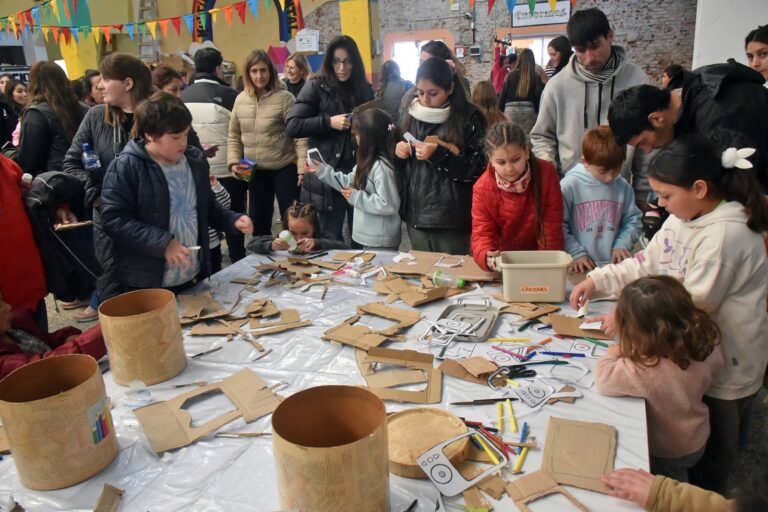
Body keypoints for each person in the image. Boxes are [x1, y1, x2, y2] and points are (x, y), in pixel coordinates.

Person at [570, 134, 768, 494]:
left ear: (699, 189)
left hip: (728, 366)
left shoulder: (726, 236)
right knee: (691, 433)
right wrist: (597, 281)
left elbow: (692, 305)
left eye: (666, 195)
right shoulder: (684, 217)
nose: (659, 203)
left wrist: (629, 320)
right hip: (691, 356)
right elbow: (646, 263)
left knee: (715, 459)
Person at [100, 91, 253, 293]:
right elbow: (113, 220)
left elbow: (207, 207)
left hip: (192, 273)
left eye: (186, 134)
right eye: (175, 137)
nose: (183, 142)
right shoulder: (126, 166)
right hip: (148, 280)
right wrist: (164, 243)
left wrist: (232, 220)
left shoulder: (194, 161)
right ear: (149, 134)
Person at [595, 275, 724, 481]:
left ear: (643, 332)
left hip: (667, 449)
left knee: (671, 485)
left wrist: (615, 351)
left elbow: (603, 379)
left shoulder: (647, 368)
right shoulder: (707, 341)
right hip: (697, 434)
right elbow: (715, 371)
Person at [62, 53, 155, 320]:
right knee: (114, 296)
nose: (100, 85)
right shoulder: (95, 117)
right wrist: (97, 195)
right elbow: (71, 163)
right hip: (108, 223)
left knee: (152, 299)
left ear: (128, 83)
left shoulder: (159, 113)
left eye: (105, 79)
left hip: (151, 222)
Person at [607, 62, 768, 190]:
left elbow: (731, 187)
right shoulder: (688, 103)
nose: (648, 150)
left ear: (656, 118)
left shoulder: (718, 112)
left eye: (643, 142)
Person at [530, 8, 648, 174]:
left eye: (595, 46)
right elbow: (542, 136)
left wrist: (643, 187)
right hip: (570, 183)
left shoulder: (637, 80)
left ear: (610, 36)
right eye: (581, 50)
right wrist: (550, 173)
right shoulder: (557, 86)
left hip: (618, 183)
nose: (590, 57)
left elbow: (647, 142)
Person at [286, 35, 375, 241]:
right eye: (337, 61)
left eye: (347, 61)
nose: (342, 67)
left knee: (360, 240)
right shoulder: (316, 85)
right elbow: (293, 125)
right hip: (326, 177)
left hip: (358, 174)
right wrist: (328, 122)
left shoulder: (363, 88)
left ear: (355, 62)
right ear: (329, 62)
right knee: (329, 239)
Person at [395, 57, 486, 255]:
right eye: (420, 92)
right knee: (422, 271)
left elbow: (478, 168)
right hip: (416, 215)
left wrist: (438, 155)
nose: (425, 99)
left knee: (453, 271)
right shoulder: (410, 113)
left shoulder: (469, 117)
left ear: (450, 88)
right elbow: (399, 165)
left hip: (451, 219)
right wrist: (399, 152)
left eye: (433, 93)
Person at [228, 49, 307, 237]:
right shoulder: (240, 99)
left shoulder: (285, 98)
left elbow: (300, 135)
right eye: (254, 71)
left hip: (284, 166)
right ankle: (261, 253)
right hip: (252, 167)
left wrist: (302, 168)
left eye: (263, 70)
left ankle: (295, 253)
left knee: (292, 220)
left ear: (270, 71)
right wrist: (233, 162)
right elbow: (234, 135)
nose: (259, 76)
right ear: (247, 73)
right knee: (258, 221)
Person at [471, 122, 563, 270]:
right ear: (491, 160)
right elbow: (482, 232)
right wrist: (487, 256)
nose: (509, 169)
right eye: (501, 162)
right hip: (504, 263)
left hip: (541, 259)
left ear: (526, 152)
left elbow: (551, 227)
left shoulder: (546, 173)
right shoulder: (482, 188)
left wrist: (547, 265)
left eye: (515, 160)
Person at [307, 108, 401, 250]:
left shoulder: (382, 168)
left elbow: (389, 204)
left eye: (357, 135)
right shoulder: (366, 162)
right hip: (369, 236)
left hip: (380, 239)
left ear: (369, 138)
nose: (355, 139)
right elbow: (347, 182)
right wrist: (322, 170)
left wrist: (356, 196)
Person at [182, 47, 243, 262]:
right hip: (229, 170)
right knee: (235, 220)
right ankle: (238, 261)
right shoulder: (230, 96)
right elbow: (241, 134)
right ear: (218, 68)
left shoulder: (182, 96)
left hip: (197, 171)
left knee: (207, 222)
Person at [561, 126, 642, 272]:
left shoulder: (623, 186)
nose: (610, 177)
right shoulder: (569, 185)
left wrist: (622, 245)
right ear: (585, 162)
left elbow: (632, 221)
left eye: (616, 170)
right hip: (578, 265)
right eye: (603, 171)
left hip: (613, 265)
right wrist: (575, 252)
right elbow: (558, 224)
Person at [0, 292, 106, 380]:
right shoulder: (5, 364)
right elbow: (47, 366)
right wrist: (103, 332)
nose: (8, 307)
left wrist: (66, 337)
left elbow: (45, 340)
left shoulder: (13, 327)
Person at [16, 62, 89, 177]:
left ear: (33, 83)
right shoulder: (85, 109)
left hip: (54, 180)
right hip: (87, 175)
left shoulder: (36, 114)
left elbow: (29, 160)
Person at [0, 155, 47, 331]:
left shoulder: (7, 166)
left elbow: (32, 200)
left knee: (41, 343)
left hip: (30, 290)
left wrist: (57, 209)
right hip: (5, 310)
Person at [247, 202, 347, 254]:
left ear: (314, 228)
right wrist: (271, 245)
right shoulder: (284, 240)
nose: (298, 239)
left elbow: (345, 248)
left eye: (305, 233)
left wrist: (317, 243)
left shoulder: (321, 238)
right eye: (293, 233)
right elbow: (251, 244)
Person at [498, 49, 544, 135]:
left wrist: (501, 111)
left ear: (519, 60)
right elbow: (539, 100)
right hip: (528, 111)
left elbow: (502, 98)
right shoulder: (536, 77)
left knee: (511, 139)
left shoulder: (510, 75)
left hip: (510, 110)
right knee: (527, 140)